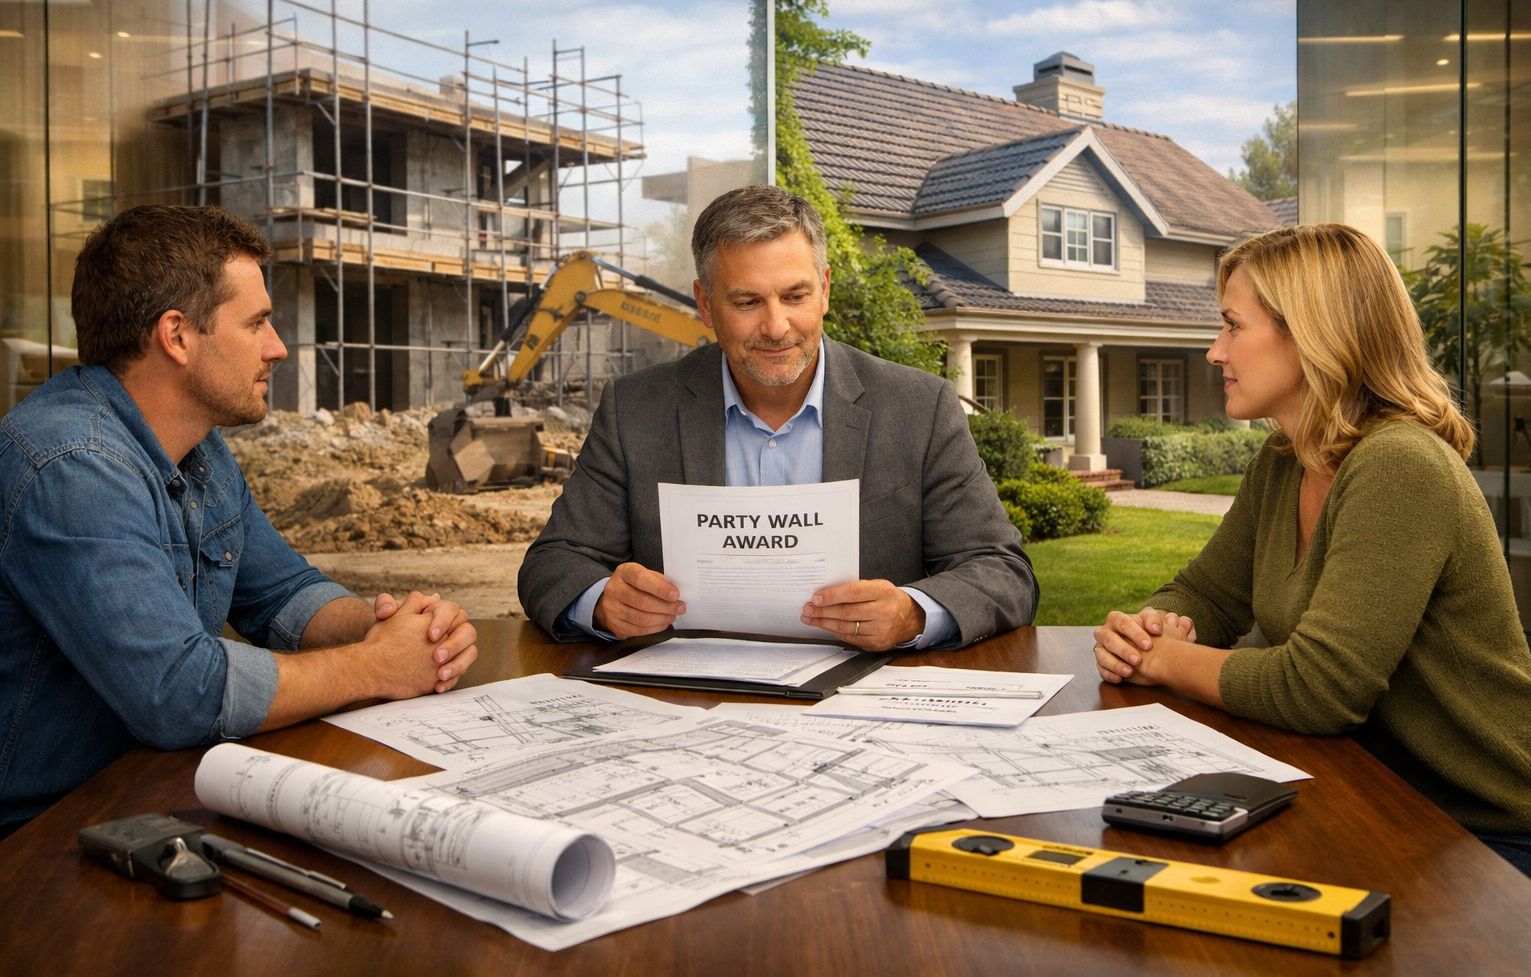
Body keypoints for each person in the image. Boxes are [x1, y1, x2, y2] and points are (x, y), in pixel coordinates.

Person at [0, 205, 479, 838]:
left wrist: (393, 628)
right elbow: (178, 693)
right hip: (41, 840)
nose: (277, 348)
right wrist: (375, 667)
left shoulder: (199, 448)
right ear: (177, 336)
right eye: (256, 323)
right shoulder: (72, 466)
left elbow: (282, 593)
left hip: (146, 796)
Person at [1093, 223, 1531, 878]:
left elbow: (1317, 690)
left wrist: (1166, 659)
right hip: (1370, 796)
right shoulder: (1283, 461)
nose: (1215, 352)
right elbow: (1208, 593)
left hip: (1488, 835)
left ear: (1311, 335)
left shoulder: (1400, 465)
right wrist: (1147, 629)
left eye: (1232, 327)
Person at [519, 185, 1036, 651]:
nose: (776, 326)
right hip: (690, 700)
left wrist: (913, 613)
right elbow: (553, 562)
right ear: (705, 303)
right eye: (747, 301)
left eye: (795, 296)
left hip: (860, 700)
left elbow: (1002, 570)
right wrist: (601, 602)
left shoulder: (919, 408)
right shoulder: (635, 409)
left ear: (825, 289)